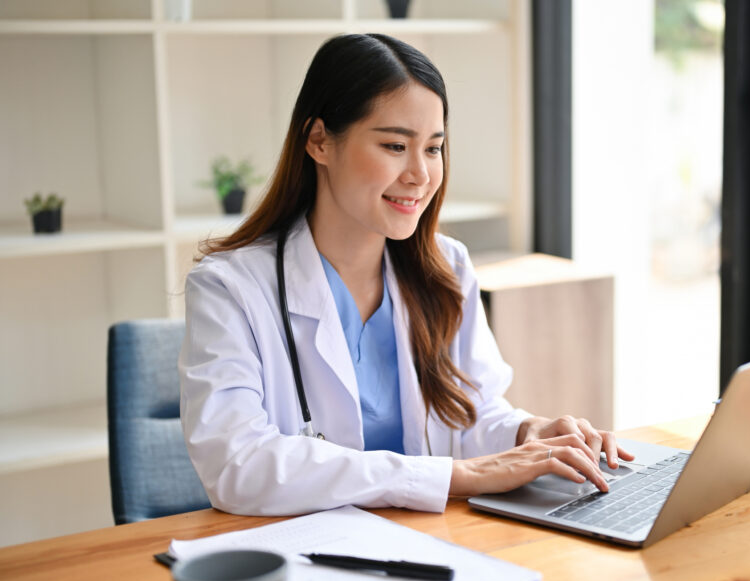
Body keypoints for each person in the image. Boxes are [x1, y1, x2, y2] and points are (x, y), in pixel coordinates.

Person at [179, 33, 633, 516]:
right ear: (318, 141)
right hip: (305, 559)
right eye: (396, 145)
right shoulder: (230, 288)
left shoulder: (447, 267)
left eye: (433, 149)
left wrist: (526, 433)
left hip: (429, 545)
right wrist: (453, 476)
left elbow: (469, 413)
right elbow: (236, 465)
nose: (420, 174)